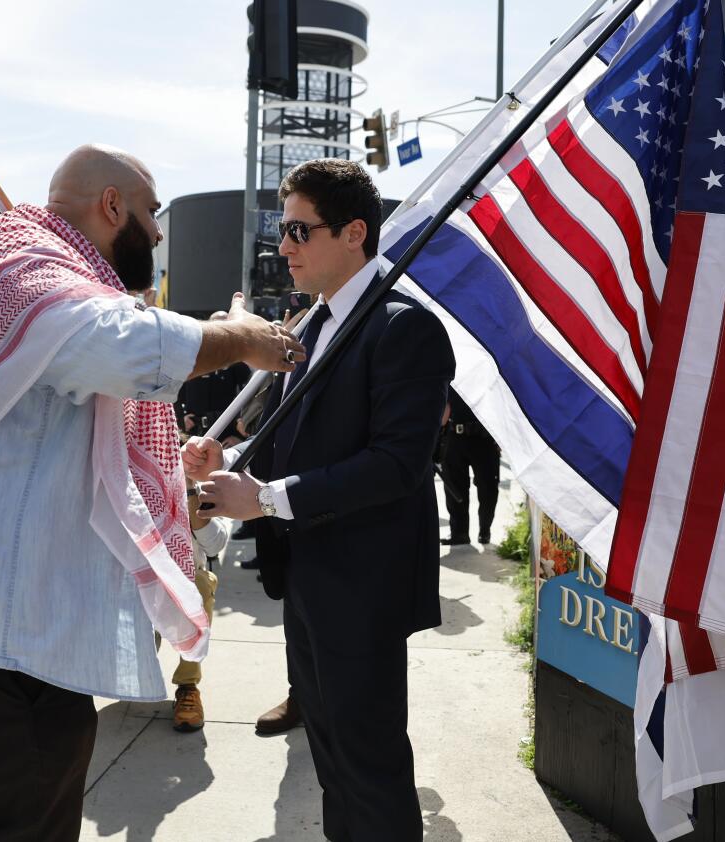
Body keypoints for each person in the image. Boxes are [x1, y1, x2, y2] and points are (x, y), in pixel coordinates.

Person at [0, 144, 305, 841]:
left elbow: (61, 432)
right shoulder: (29, 264)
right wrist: (242, 335)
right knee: (27, 822)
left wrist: (173, 469)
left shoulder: (30, 263)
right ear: (112, 205)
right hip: (15, 640)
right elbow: (122, 348)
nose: (157, 232)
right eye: (152, 213)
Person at [185, 158, 455, 841]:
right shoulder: (311, 325)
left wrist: (265, 497)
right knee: (334, 757)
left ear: (355, 232)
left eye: (300, 232)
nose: (285, 248)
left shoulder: (404, 327)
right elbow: (295, 441)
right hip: (308, 576)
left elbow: (396, 466)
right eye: (285, 231)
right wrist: (232, 460)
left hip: (364, 585)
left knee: (368, 764)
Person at [169, 480, 229, 732]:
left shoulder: (201, 484)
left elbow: (215, 545)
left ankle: (188, 686)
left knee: (200, 584)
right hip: (135, 584)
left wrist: (190, 491)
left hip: (184, 581)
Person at [439, 386, 501, 545]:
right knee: (454, 487)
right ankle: (459, 533)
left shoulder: (489, 369)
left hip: (485, 439)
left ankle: (485, 530)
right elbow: (444, 409)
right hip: (454, 437)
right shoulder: (453, 373)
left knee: (488, 487)